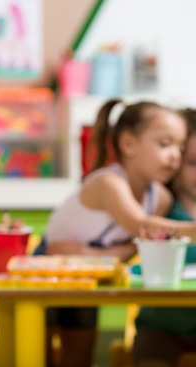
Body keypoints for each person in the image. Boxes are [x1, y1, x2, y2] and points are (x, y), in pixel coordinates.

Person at [36, 99, 196, 367]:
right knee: (37, 356)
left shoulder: (160, 199)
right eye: (165, 144)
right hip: (47, 267)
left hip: (89, 275)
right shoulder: (109, 183)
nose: (175, 156)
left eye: (180, 147)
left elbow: (138, 245)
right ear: (128, 144)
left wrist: (88, 254)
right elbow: (141, 227)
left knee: (78, 360)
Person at [133, 108, 196, 367]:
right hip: (160, 328)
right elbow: (135, 251)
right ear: (175, 162)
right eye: (193, 163)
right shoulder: (160, 205)